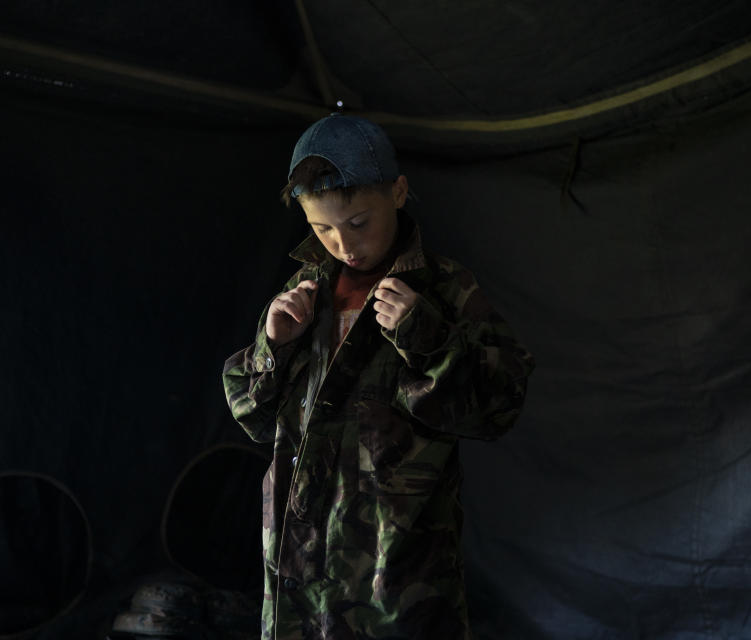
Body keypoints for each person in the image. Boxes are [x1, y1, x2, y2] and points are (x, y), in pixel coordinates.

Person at [222, 114, 535, 640]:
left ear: (398, 191)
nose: (343, 244)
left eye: (359, 222)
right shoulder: (304, 290)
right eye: (321, 228)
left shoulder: (443, 288)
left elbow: (500, 405)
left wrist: (426, 336)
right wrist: (271, 347)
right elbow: (253, 418)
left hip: (396, 585)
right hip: (296, 582)